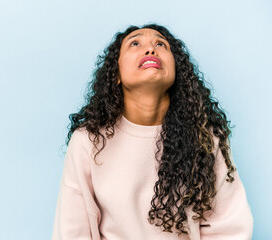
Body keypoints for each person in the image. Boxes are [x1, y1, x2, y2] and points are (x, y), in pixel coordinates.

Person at [51, 23, 253, 240]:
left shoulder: (205, 138)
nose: (150, 49)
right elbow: (73, 231)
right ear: (115, 74)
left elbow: (230, 228)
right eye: (135, 43)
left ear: (177, 72)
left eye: (160, 44)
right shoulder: (88, 141)